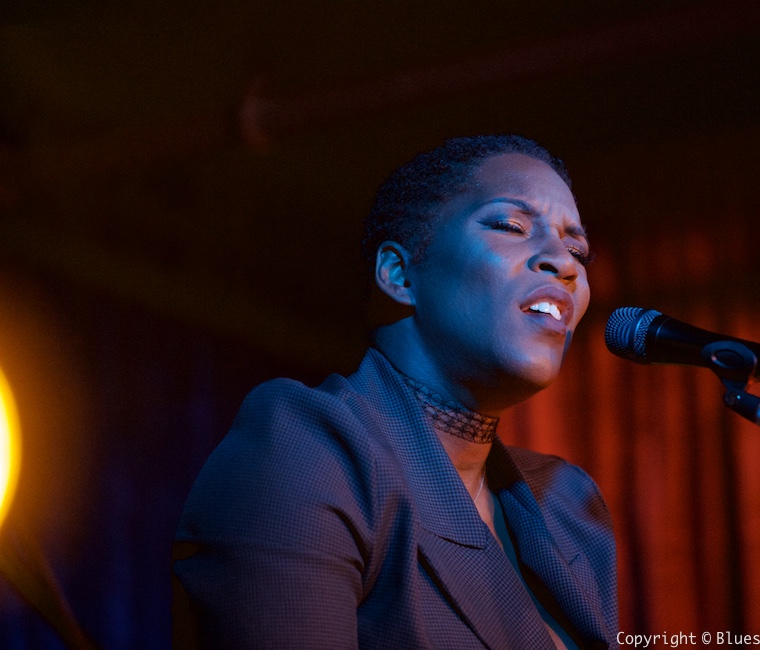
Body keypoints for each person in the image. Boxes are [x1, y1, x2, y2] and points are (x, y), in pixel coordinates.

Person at [172, 135, 618, 648]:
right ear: (399, 274)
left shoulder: (568, 504)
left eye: (576, 248)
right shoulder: (308, 450)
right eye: (511, 226)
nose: (563, 263)